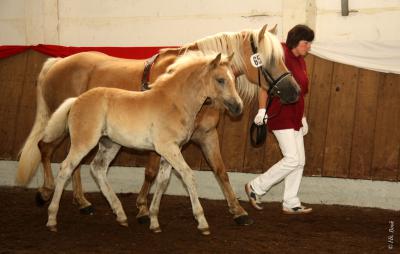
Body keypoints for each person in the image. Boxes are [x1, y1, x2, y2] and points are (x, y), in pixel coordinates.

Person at [245, 24, 314, 214]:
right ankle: (256, 187)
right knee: (292, 159)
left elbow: (300, 93)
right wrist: (261, 110)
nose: (308, 47)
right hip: (280, 114)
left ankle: (290, 202)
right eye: (305, 43)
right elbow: (264, 85)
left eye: (309, 43)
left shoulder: (301, 60)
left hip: (295, 116)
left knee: (299, 161)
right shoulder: (279, 55)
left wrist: (303, 117)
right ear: (295, 42)